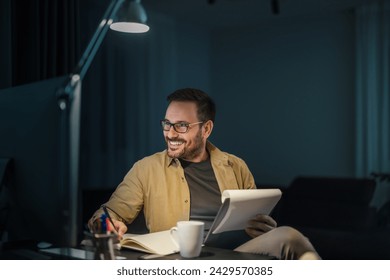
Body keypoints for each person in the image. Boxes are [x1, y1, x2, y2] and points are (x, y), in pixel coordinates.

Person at [88, 88, 321, 260]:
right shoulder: (146, 168)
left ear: (206, 129)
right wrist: (107, 224)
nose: (170, 133)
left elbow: (256, 224)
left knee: (289, 236)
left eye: (181, 126)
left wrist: (262, 229)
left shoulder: (236, 166)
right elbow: (105, 214)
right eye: (167, 124)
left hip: (234, 257)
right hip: (178, 261)